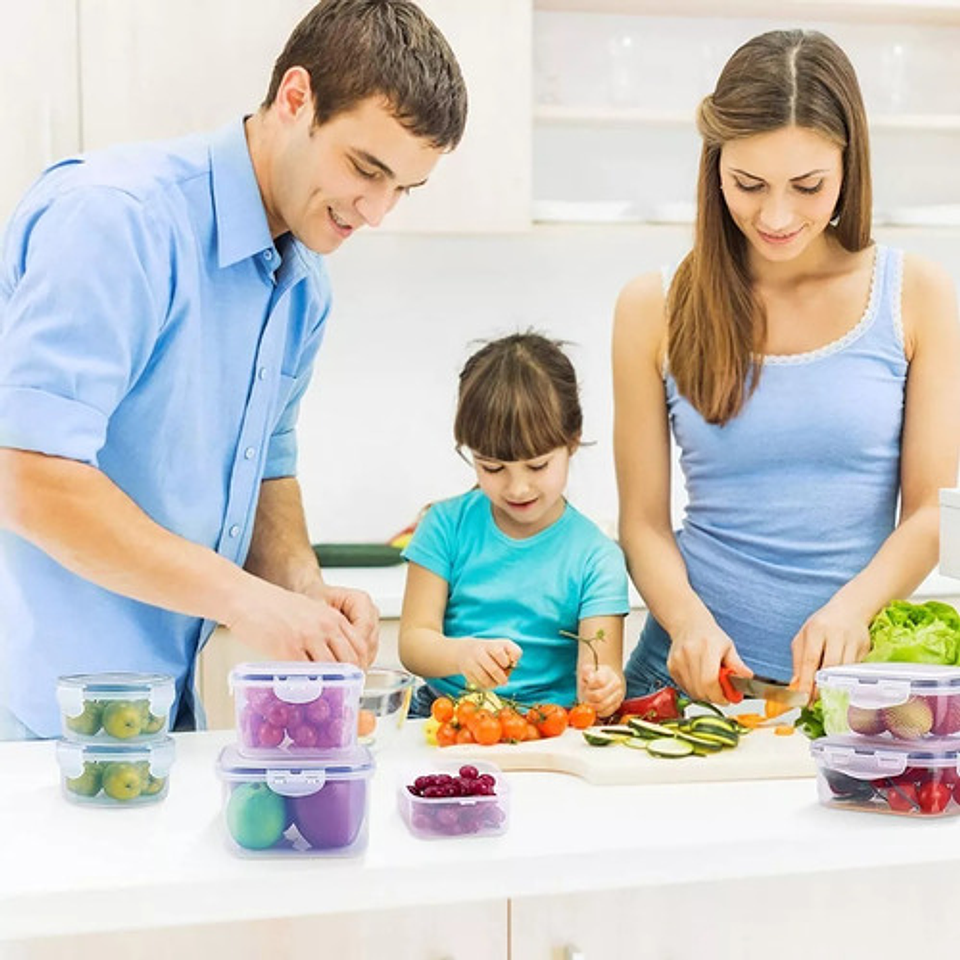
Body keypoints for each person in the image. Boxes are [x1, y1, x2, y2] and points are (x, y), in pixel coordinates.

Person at [0, 0, 467, 739]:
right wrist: (245, 600)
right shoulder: (119, 219)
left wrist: (302, 591)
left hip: (159, 718)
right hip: (33, 722)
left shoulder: (304, 287)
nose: (377, 211)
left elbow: (266, 470)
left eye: (402, 188)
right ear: (296, 98)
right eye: (365, 168)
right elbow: (27, 474)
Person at [613, 29, 960, 706]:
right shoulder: (652, 307)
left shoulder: (915, 295)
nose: (776, 216)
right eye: (749, 184)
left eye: (808, 186)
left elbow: (928, 512)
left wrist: (852, 609)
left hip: (850, 690)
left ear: (849, 165)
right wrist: (688, 623)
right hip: (680, 681)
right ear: (715, 165)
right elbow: (643, 523)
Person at [399, 333, 629, 720]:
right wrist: (460, 654)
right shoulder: (443, 526)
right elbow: (413, 643)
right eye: (492, 467)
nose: (517, 488)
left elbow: (599, 671)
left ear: (572, 442)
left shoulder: (597, 558)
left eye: (537, 465)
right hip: (446, 715)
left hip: (550, 723)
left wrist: (605, 688)